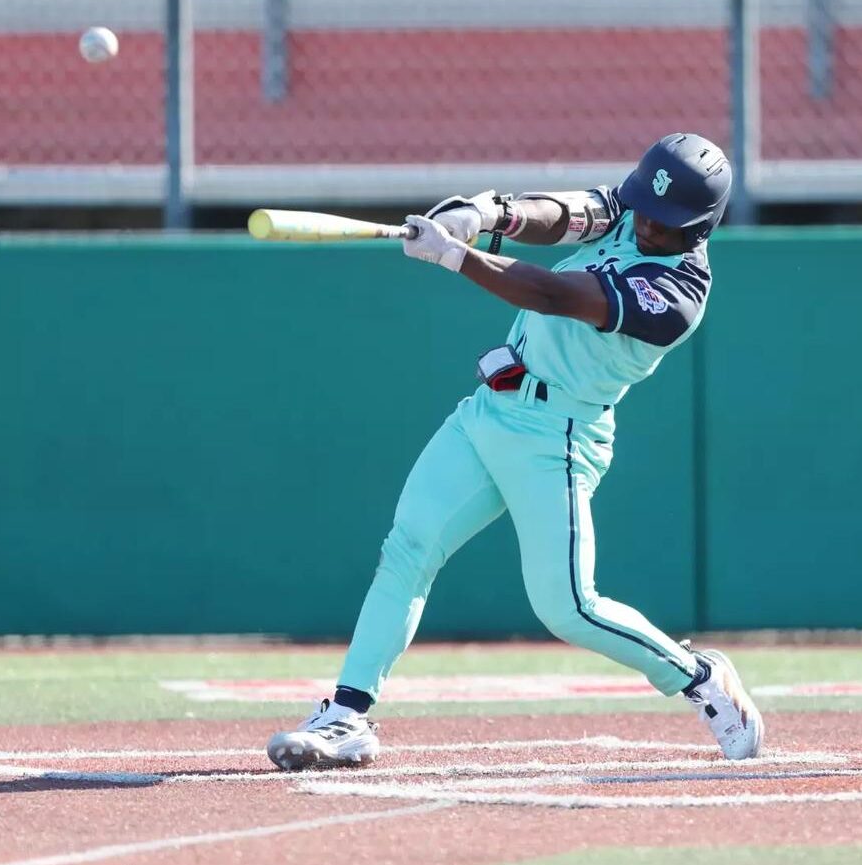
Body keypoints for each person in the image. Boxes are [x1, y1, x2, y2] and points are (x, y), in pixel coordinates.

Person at [266, 133, 764, 770]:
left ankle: (698, 677)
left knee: (570, 607)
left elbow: (556, 294)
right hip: (489, 410)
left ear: (697, 226)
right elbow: (559, 214)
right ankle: (346, 717)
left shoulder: (677, 295)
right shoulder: (629, 210)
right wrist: (486, 213)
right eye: (642, 205)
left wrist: (458, 258)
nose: (642, 221)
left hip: (557, 437)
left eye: (661, 219)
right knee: (409, 548)